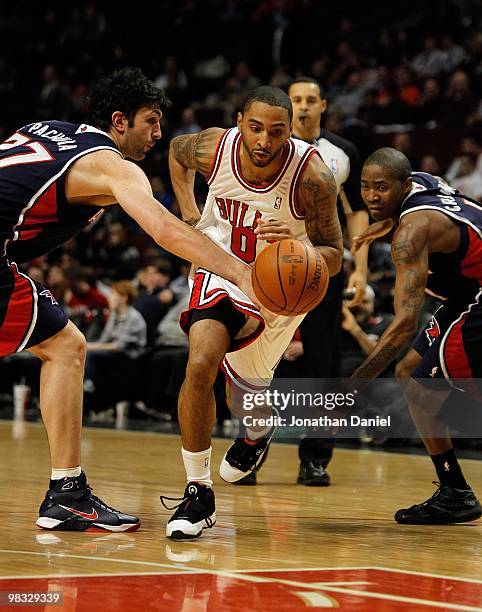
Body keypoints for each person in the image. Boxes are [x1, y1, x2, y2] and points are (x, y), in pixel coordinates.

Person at [0, 67, 256, 532]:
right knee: (65, 347)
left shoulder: (46, 131)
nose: (159, 134)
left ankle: (67, 492)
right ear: (119, 121)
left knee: (64, 344)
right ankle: (66, 495)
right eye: (151, 122)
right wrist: (242, 272)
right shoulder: (112, 164)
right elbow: (162, 229)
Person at [162, 86, 343, 539]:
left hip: (277, 288)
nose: (264, 141)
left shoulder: (313, 178)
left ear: (290, 132)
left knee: (248, 390)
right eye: (255, 128)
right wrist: (189, 215)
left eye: (276, 132)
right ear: (240, 120)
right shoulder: (211, 146)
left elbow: (335, 254)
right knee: (201, 364)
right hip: (220, 269)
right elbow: (174, 153)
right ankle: (197, 491)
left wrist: (301, 246)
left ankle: (256, 434)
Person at [246, 76, 369, 486]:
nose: (302, 106)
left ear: (323, 106)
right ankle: (252, 451)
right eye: (295, 99)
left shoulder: (342, 153)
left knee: (322, 363)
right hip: (270, 265)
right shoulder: (267, 149)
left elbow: (356, 213)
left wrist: (361, 267)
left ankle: (315, 457)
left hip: (321, 267)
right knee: (260, 360)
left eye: (310, 100)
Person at [351, 147, 482, 524]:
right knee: (410, 373)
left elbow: (406, 323)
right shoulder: (422, 185)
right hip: (465, 294)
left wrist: (354, 386)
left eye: (382, 188)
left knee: (427, 387)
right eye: (365, 187)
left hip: (476, 297)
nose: (373, 196)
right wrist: (386, 222)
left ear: (403, 185)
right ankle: (454, 491)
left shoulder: (411, 233)